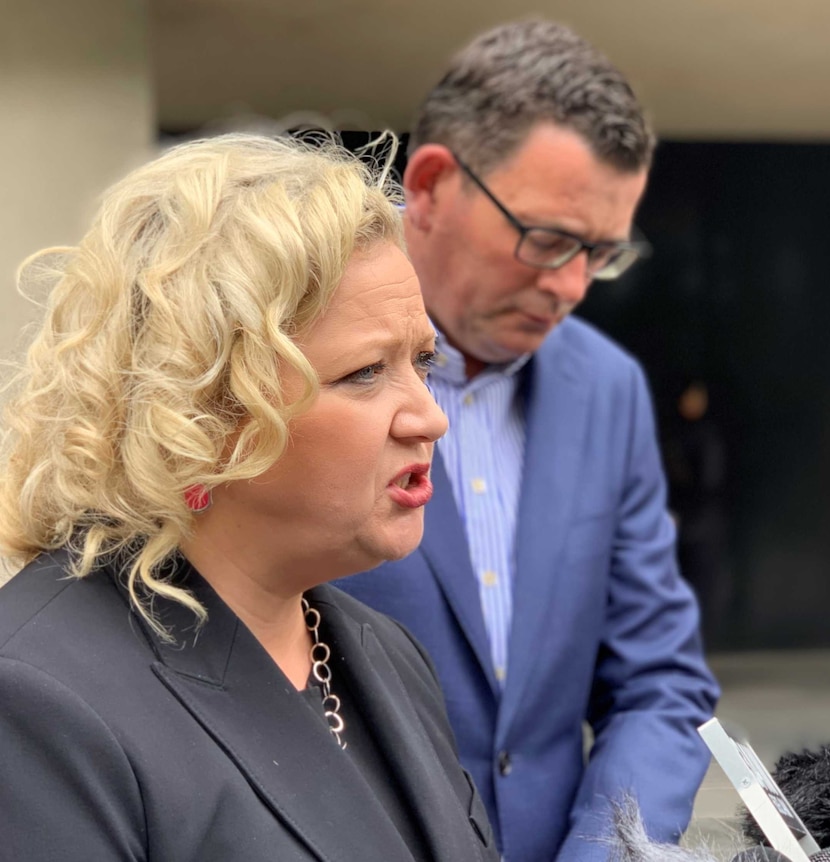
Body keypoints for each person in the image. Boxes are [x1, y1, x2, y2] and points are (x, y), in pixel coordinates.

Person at [0, 134, 499, 862]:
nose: (429, 415)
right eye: (365, 372)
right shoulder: (40, 700)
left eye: (421, 362)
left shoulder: (381, 652)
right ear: (204, 407)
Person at [335, 19, 721, 862]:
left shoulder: (607, 387)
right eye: (548, 241)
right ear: (431, 185)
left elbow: (658, 680)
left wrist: (606, 848)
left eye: (602, 255)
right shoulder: (295, 352)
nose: (572, 287)